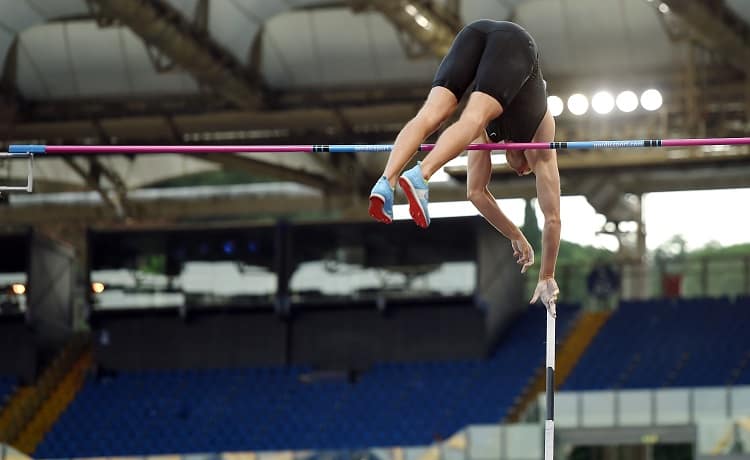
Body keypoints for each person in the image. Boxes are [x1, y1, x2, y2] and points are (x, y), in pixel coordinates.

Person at [367, 20, 560, 315]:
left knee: (432, 115)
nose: (523, 171)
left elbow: (476, 192)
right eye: (526, 171)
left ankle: (386, 181)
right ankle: (421, 174)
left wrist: (515, 235)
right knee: (471, 119)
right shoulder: (541, 143)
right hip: (516, 44)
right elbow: (552, 219)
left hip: (474, 33)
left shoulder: (489, 135)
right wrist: (547, 275)